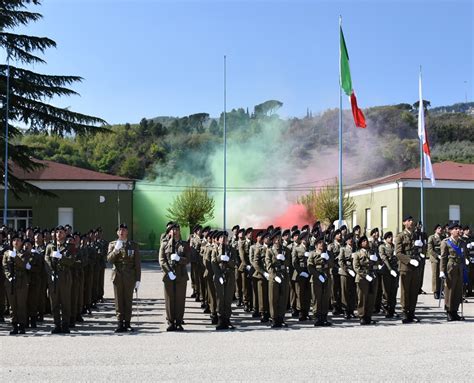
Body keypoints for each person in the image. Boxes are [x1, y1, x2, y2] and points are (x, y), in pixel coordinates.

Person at [107, 223, 141, 333]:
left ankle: (127, 323)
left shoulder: (133, 245)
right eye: (119, 230)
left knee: (128, 300)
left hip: (129, 276)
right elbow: (109, 260)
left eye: (124, 230)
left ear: (127, 232)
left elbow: (137, 263)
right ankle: (120, 323)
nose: (121, 232)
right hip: (117, 275)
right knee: (118, 300)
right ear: (117, 232)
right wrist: (116, 250)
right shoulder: (113, 245)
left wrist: (138, 279)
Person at [158, 223, 189, 331]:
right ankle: (171, 322)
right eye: (172, 230)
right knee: (169, 299)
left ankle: (179, 322)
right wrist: (168, 271)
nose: (174, 231)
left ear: (179, 231)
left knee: (180, 299)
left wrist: (179, 259)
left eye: (176, 229)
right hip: (168, 275)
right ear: (169, 232)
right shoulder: (164, 244)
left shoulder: (184, 245)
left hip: (181, 275)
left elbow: (188, 259)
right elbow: (162, 260)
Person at [45, 226, 75, 334]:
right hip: (54, 277)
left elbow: (71, 261)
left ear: (65, 234)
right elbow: (46, 259)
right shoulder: (50, 246)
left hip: (65, 276)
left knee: (65, 302)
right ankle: (57, 324)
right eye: (57, 232)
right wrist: (51, 271)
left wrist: (61, 257)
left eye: (61, 232)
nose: (58, 234)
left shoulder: (70, 247)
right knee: (54, 302)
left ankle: (65, 325)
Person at [395, 216, 422, 324]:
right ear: (404, 223)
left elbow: (419, 249)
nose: (411, 222)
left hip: (415, 267)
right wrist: (409, 260)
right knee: (405, 291)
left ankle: (412, 312)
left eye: (412, 220)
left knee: (414, 290)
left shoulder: (415, 235)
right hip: (405, 267)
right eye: (408, 220)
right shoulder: (400, 236)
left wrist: (421, 250)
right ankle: (405, 313)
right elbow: (398, 253)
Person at [3, 234, 30, 335]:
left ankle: (22, 326)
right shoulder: (7, 253)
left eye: (18, 240)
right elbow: (4, 266)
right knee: (12, 305)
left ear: (21, 242)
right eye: (14, 240)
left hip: (22, 281)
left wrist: (15, 257)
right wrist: (9, 276)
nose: (16, 242)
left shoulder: (25, 253)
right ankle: (14, 325)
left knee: (21, 304)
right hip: (10, 282)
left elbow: (24, 265)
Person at [440, 223, 466, 321]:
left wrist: (464, 267)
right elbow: (443, 258)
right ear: (451, 231)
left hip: (459, 268)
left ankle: (455, 311)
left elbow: (463, 255)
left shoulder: (461, 242)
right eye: (456, 229)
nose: (458, 230)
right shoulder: (446, 242)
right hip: (450, 269)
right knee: (449, 290)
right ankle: (449, 311)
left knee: (458, 291)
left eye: (459, 228)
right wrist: (442, 271)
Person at [211, 231, 236, 330]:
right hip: (219, 276)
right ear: (218, 239)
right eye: (221, 238)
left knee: (228, 298)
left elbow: (235, 264)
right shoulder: (215, 249)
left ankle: (227, 319)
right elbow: (213, 262)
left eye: (225, 238)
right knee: (220, 298)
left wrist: (228, 260)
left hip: (229, 276)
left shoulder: (232, 249)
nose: (223, 239)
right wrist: (219, 258)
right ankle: (220, 319)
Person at [265, 230, 289, 328]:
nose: (277, 240)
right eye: (276, 238)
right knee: (273, 298)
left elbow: (289, 263)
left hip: (283, 275)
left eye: (279, 237)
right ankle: (274, 318)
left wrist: (284, 259)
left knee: (283, 298)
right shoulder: (269, 251)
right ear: (273, 239)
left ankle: (281, 318)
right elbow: (268, 265)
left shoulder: (285, 250)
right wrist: (275, 276)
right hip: (274, 277)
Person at [308, 237, 333, 326]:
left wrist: (328, 258)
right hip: (316, 279)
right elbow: (310, 267)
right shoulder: (312, 254)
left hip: (326, 277)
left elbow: (332, 265)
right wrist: (318, 275)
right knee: (317, 299)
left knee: (325, 298)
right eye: (319, 243)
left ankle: (324, 317)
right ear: (316, 245)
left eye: (322, 243)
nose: (321, 244)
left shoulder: (328, 253)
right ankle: (317, 318)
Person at [353, 236, 378, 325]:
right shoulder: (357, 254)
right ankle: (362, 316)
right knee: (362, 298)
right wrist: (365, 275)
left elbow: (376, 264)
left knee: (371, 298)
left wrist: (375, 265)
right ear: (360, 243)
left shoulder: (371, 252)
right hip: (362, 278)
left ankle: (369, 316)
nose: (366, 242)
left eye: (366, 240)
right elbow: (356, 267)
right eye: (363, 241)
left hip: (372, 277)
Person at [291, 231, 311, 321]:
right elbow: (294, 262)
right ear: (302, 239)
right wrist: (300, 272)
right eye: (305, 238)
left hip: (309, 272)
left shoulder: (310, 248)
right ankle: (300, 312)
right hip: (300, 273)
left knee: (307, 294)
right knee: (300, 294)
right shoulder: (296, 248)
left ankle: (306, 312)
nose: (306, 240)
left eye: (307, 238)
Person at [379, 232, 399, 318]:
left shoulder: (394, 247)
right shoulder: (382, 247)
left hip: (395, 271)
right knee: (386, 290)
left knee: (394, 290)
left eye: (392, 237)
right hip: (386, 271)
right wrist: (390, 269)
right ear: (385, 238)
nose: (391, 239)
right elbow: (384, 258)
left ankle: (392, 309)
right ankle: (386, 308)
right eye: (389, 237)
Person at [338, 233, 357, 319]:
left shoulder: (356, 249)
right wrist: (347, 269)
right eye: (349, 239)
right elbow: (340, 261)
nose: (351, 240)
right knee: (345, 292)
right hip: (345, 273)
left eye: (352, 238)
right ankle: (345, 310)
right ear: (346, 241)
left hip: (354, 272)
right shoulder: (343, 249)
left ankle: (351, 310)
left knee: (353, 292)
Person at [428, 224, 443, 299]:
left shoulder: (443, 238)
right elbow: (430, 250)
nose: (440, 229)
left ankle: (440, 290)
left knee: (441, 274)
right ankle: (435, 291)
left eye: (441, 228)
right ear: (435, 230)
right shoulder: (432, 238)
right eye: (438, 228)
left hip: (442, 258)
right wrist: (437, 256)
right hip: (435, 259)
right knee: (435, 275)